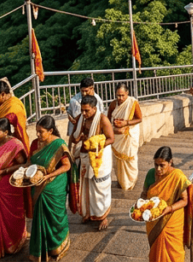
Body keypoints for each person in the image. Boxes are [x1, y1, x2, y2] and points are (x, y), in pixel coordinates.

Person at [0, 118, 28, 259]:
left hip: (9, 186)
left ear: (7, 132)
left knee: (10, 217)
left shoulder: (15, 145)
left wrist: (4, 172)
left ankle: (13, 242)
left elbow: (23, 164)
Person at [28, 116, 72, 262]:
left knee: (53, 214)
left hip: (55, 182)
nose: (38, 135)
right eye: (37, 131)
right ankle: (42, 248)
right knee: (40, 211)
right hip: (39, 180)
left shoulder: (59, 144)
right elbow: (29, 162)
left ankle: (58, 244)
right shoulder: (36, 143)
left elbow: (67, 166)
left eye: (41, 132)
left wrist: (48, 177)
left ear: (51, 130)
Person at [142, 147, 193, 262]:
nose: (158, 169)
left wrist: (169, 208)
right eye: (156, 165)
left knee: (173, 252)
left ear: (170, 162)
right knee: (156, 249)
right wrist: (141, 205)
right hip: (154, 219)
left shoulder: (178, 176)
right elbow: (144, 194)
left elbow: (185, 200)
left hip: (172, 219)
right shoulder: (151, 174)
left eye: (162, 165)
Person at [71, 95, 115, 231]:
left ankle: (103, 215)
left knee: (100, 187)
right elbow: (73, 138)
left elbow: (111, 139)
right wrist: (78, 137)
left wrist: (97, 144)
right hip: (85, 156)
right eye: (82, 110)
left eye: (87, 111)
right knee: (86, 185)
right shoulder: (80, 119)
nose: (84, 113)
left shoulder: (103, 119)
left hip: (100, 157)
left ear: (94, 108)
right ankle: (88, 213)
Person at [109, 83, 143, 191]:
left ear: (127, 93)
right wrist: (115, 126)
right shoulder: (113, 104)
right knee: (118, 161)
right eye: (118, 95)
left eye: (123, 95)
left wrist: (126, 123)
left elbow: (139, 118)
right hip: (118, 137)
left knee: (130, 159)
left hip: (129, 135)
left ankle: (130, 182)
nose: (120, 98)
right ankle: (122, 182)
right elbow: (108, 120)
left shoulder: (133, 103)